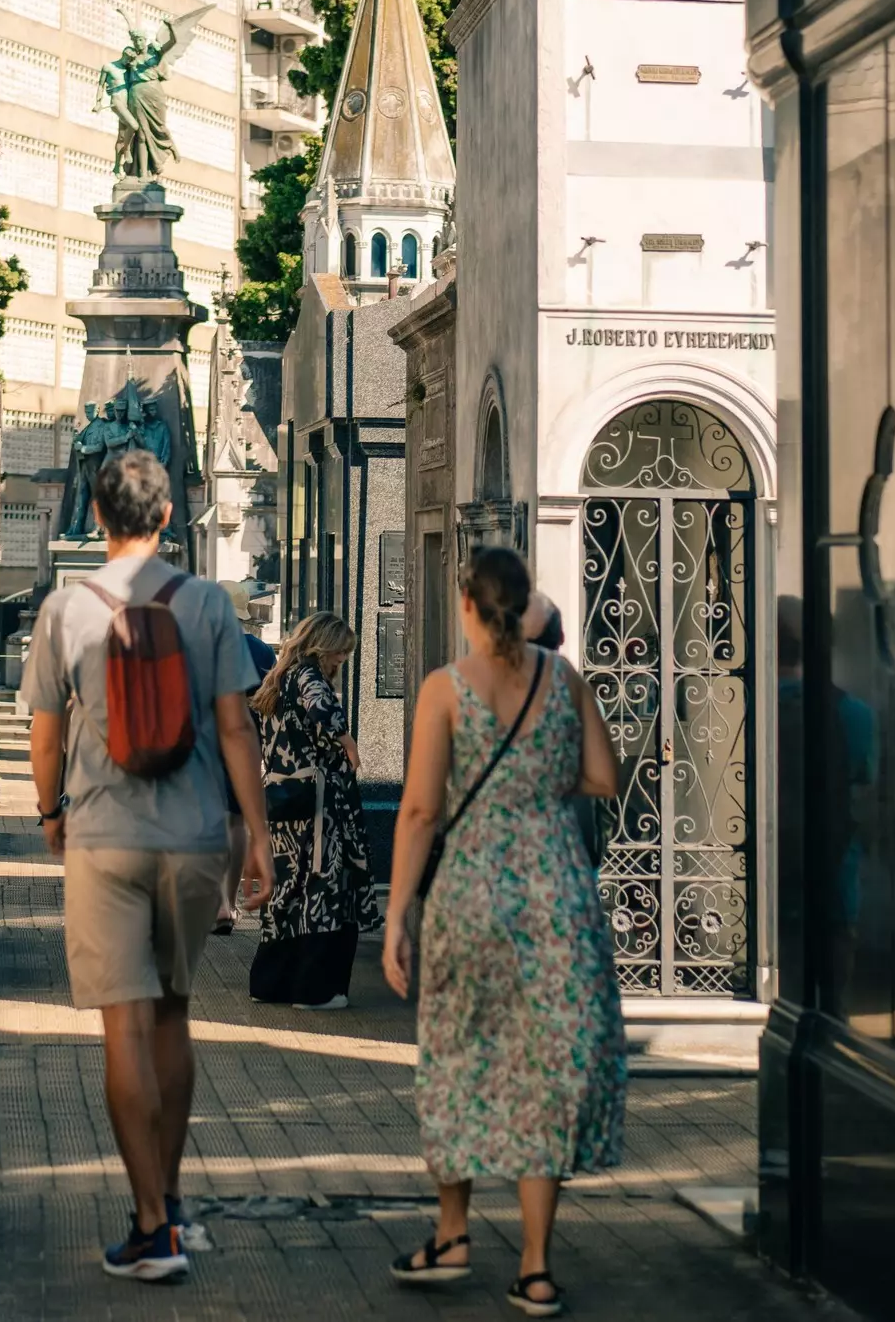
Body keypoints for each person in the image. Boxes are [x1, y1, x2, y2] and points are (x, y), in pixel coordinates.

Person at [23, 449, 274, 1284]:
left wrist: (52, 813)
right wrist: (261, 839)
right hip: (196, 837)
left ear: (97, 519)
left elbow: (47, 734)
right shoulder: (205, 602)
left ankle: (151, 1225)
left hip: (105, 837)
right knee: (173, 1016)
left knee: (122, 1028)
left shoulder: (65, 610)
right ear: (168, 517)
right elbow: (236, 728)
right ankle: (171, 1200)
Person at [383, 548, 626, 1319]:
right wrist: (539, 781)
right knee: (545, 1070)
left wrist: (397, 914)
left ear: (465, 605)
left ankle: (451, 1234)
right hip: (555, 890)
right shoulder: (565, 682)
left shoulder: (445, 691)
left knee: (458, 1054)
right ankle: (534, 1266)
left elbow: (420, 810)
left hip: (473, 893)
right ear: (524, 607)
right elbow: (603, 778)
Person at [248, 613, 381, 1009]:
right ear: (323, 644)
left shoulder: (277, 678)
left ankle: (270, 982)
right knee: (325, 889)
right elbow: (322, 708)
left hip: (285, 799)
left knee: (289, 889)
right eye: (341, 650)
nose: (343, 658)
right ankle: (315, 989)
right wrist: (348, 742)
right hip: (322, 805)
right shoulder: (308, 676)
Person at [212, 581, 278, 934]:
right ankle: (227, 901)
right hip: (246, 746)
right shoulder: (261, 652)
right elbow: (272, 705)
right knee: (235, 822)